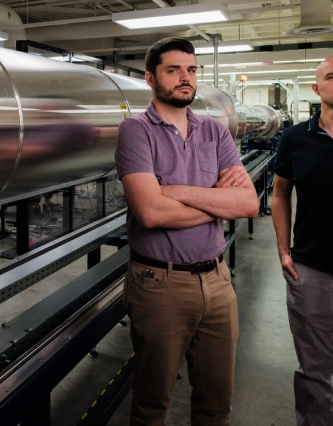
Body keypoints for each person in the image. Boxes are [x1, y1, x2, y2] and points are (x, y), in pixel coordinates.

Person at [115, 37, 259, 426]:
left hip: (217, 279)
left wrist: (180, 193)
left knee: (216, 403)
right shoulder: (135, 131)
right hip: (160, 283)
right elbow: (150, 212)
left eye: (192, 70)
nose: (185, 78)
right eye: (173, 70)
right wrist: (215, 201)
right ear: (150, 78)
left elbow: (248, 205)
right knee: (152, 405)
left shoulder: (215, 132)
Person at [272, 56, 333, 426]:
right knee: (315, 373)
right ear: (317, 88)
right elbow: (280, 194)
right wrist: (282, 250)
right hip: (311, 271)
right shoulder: (295, 138)